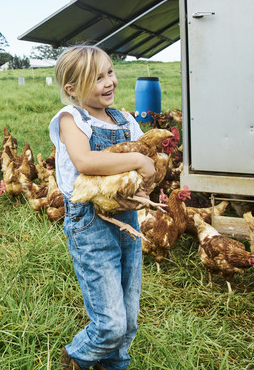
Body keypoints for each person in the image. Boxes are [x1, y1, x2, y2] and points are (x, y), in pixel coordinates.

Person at [49, 46, 155, 370]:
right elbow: (85, 160)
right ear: (72, 90)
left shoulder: (124, 119)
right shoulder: (72, 118)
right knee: (109, 325)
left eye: (110, 72)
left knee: (128, 323)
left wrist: (146, 184)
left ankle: (113, 366)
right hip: (90, 224)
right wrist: (138, 160)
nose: (109, 82)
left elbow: (147, 168)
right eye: (97, 78)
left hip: (127, 221)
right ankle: (76, 358)